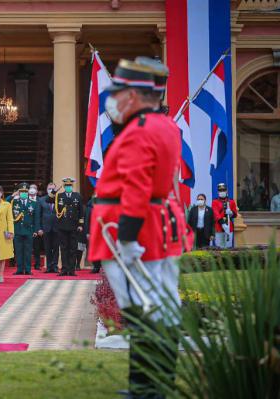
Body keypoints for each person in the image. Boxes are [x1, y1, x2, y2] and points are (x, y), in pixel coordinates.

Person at [89, 58, 189, 397]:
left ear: (136, 95)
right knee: (160, 308)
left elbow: (135, 188)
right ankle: (155, 384)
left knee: (143, 312)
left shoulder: (139, 131)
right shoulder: (164, 125)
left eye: (119, 93)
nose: (113, 100)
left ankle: (146, 388)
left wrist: (127, 239)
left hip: (135, 229)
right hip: (157, 223)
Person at [46, 177, 83, 276]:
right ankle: (64, 269)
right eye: (66, 186)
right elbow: (48, 199)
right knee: (63, 248)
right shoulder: (59, 196)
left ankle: (71, 270)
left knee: (73, 248)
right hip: (62, 226)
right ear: (64, 186)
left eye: (69, 185)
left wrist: (80, 224)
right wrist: (56, 190)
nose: (68, 187)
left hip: (74, 226)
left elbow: (81, 211)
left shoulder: (77, 196)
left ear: (72, 186)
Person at [11, 183, 40, 275]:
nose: (23, 193)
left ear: (28, 192)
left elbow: (36, 218)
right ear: (19, 192)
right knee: (18, 251)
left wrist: (36, 230)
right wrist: (14, 195)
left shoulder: (34, 203)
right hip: (17, 230)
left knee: (28, 251)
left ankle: (27, 269)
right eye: (21, 191)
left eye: (25, 192)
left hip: (29, 230)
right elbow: (6, 202)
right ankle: (19, 269)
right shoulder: (14, 202)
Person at [38, 182, 60, 273]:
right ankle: (49, 266)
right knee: (47, 248)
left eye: (53, 188)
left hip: (57, 227)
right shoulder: (42, 200)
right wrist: (39, 228)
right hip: (46, 227)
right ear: (47, 190)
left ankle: (55, 266)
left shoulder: (59, 199)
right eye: (49, 188)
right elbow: (38, 215)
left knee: (56, 248)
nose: (51, 190)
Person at [212, 182, 238, 248]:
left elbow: (235, 214)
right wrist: (223, 224)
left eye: (223, 190)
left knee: (228, 247)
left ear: (226, 191)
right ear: (218, 192)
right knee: (219, 247)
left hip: (229, 227)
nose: (222, 191)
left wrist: (231, 213)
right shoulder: (215, 202)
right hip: (219, 227)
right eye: (220, 190)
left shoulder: (231, 201)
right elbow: (216, 214)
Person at [84, 194, 100, 274]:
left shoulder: (103, 205)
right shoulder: (89, 207)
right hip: (92, 232)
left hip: (102, 232)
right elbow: (86, 221)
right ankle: (96, 266)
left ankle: (102, 267)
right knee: (93, 250)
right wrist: (87, 232)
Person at [28, 183, 43, 270]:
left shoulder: (40, 201)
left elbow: (41, 216)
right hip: (27, 228)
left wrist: (39, 228)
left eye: (34, 188)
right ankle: (27, 264)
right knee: (27, 248)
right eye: (31, 188)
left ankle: (37, 264)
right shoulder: (25, 199)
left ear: (37, 191)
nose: (32, 189)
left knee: (37, 248)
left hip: (37, 227)